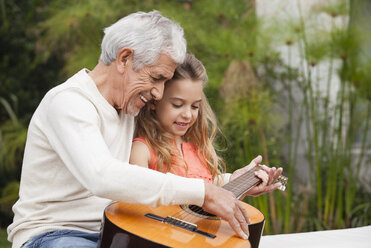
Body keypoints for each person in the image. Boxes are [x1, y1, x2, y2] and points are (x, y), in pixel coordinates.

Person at [7, 10, 281, 248]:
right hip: (56, 234)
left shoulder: (129, 106)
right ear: (124, 59)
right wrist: (204, 192)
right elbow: (102, 176)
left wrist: (228, 183)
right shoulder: (69, 103)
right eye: (156, 78)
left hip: (122, 229)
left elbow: (160, 175)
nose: (159, 93)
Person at [130, 52, 283, 219]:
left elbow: (206, 194)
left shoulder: (196, 148)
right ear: (154, 100)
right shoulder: (142, 150)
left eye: (195, 106)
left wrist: (236, 181)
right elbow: (139, 206)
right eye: (177, 104)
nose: (188, 114)